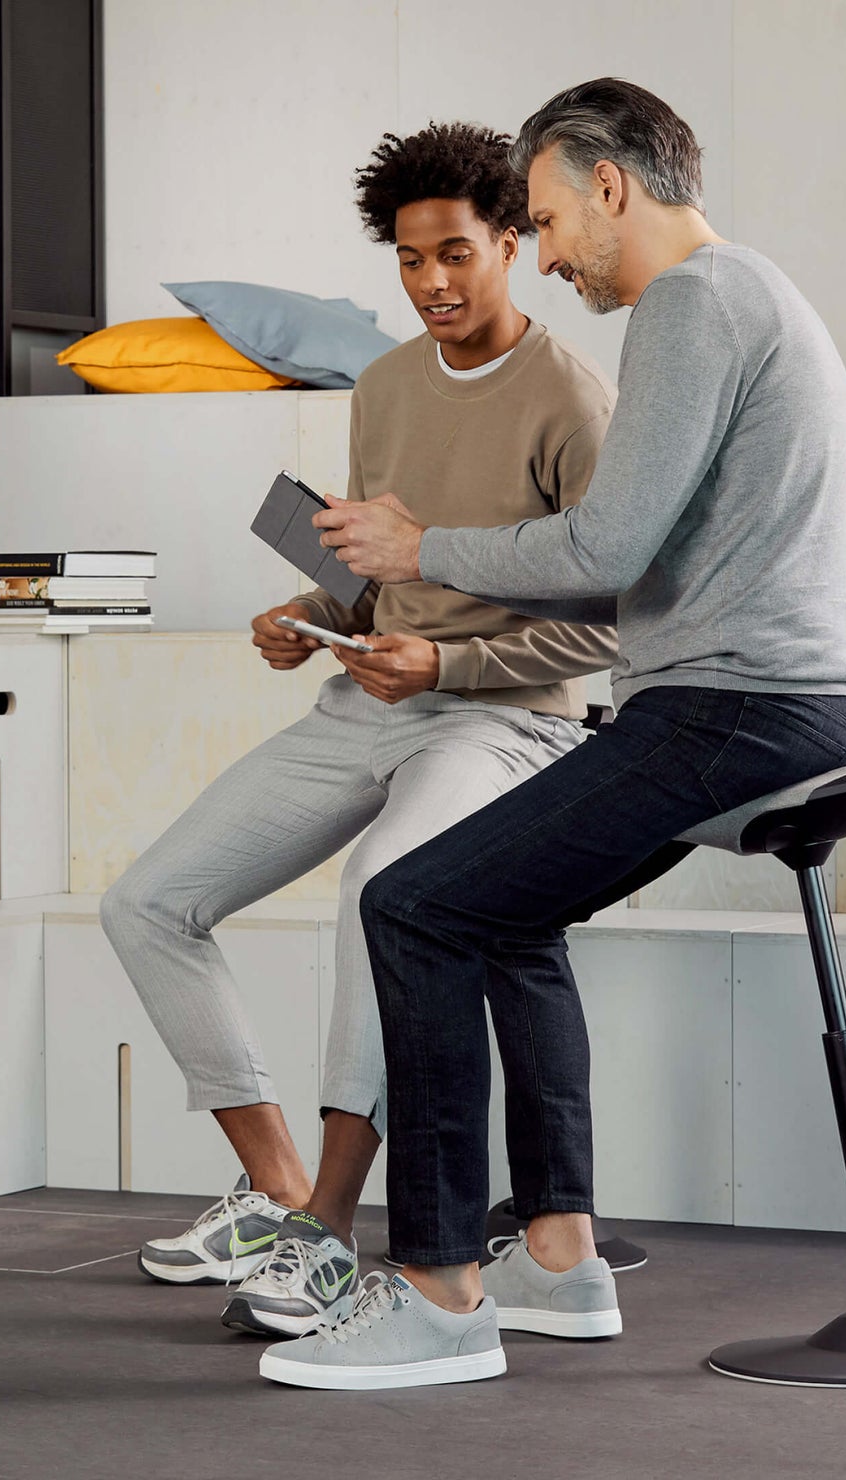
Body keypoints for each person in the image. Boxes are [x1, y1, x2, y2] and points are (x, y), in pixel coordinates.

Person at [274, 78, 846, 1390]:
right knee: (505, 912)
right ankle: (557, 1254)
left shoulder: (694, 305)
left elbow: (608, 545)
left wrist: (418, 545)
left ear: (613, 187)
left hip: (732, 712)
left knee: (415, 906)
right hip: (769, 701)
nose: (546, 254)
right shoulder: (758, 296)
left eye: (545, 221)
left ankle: (436, 1293)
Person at [100, 122, 618, 1338]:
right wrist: (311, 615)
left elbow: (604, 628)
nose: (431, 283)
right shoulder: (383, 387)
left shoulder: (575, 399)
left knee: (382, 892)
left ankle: (329, 1227)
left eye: (455, 254)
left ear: (510, 241)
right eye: (407, 260)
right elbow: (380, 582)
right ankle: (279, 1184)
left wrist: (448, 659)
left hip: (507, 727)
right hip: (368, 698)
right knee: (147, 901)